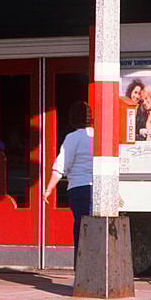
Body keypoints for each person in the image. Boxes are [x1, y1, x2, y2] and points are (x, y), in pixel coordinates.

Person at [43, 102, 93, 269]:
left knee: (81, 228)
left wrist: (49, 189)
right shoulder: (99, 136)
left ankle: (81, 269)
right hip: (99, 188)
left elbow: (61, 167)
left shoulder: (72, 138)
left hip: (78, 188)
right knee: (97, 230)